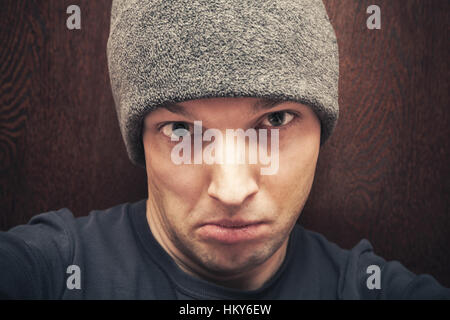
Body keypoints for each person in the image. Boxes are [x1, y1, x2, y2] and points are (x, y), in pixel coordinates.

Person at [0, 0, 449, 299]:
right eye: (181, 129)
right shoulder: (54, 273)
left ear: (321, 127)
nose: (232, 191)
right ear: (140, 138)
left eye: (274, 121)